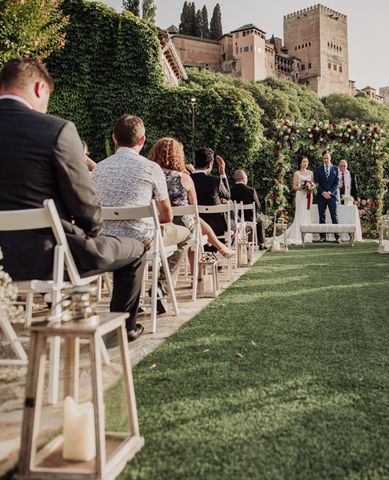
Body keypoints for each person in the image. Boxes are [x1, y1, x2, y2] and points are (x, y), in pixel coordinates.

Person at [0, 58, 146, 341]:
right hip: (48, 258)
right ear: (40, 88)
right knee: (136, 249)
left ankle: (62, 311)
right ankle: (122, 331)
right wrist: (90, 233)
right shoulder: (55, 130)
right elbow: (87, 210)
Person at [92, 115, 190, 314]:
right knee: (186, 234)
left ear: (114, 138)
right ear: (142, 140)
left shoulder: (98, 169)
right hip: (142, 239)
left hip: (105, 239)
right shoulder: (151, 168)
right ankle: (160, 286)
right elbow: (167, 216)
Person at [147, 138, 235, 260]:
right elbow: (194, 208)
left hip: (155, 224)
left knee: (194, 221)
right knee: (194, 223)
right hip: (183, 224)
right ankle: (198, 276)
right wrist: (222, 172)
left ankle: (219, 247)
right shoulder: (186, 178)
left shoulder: (148, 177)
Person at [190, 148, 231, 238]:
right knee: (235, 227)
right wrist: (222, 172)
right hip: (217, 229)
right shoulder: (215, 181)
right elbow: (227, 195)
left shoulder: (187, 179)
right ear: (209, 165)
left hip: (195, 228)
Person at [230, 170, 266, 250]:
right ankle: (261, 243)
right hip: (249, 218)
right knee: (259, 221)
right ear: (243, 178)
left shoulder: (230, 191)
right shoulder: (251, 190)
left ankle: (233, 241)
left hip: (236, 219)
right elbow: (258, 205)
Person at [284, 156, 314, 245]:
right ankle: (298, 235)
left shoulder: (311, 173)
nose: (305, 163)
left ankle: (308, 235)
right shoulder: (297, 173)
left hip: (308, 196)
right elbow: (294, 186)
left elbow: (312, 184)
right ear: (300, 163)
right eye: (304, 161)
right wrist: (301, 188)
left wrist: (310, 187)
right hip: (300, 196)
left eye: (307, 162)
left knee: (308, 213)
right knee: (300, 213)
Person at [314, 150, 340, 243]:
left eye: (327, 158)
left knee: (334, 216)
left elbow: (337, 183)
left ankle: (337, 237)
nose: (326, 160)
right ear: (322, 159)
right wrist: (323, 192)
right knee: (322, 216)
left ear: (330, 158)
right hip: (321, 196)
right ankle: (322, 237)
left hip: (332, 197)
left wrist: (329, 192)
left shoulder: (336, 169)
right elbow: (316, 183)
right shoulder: (318, 169)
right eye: (324, 158)